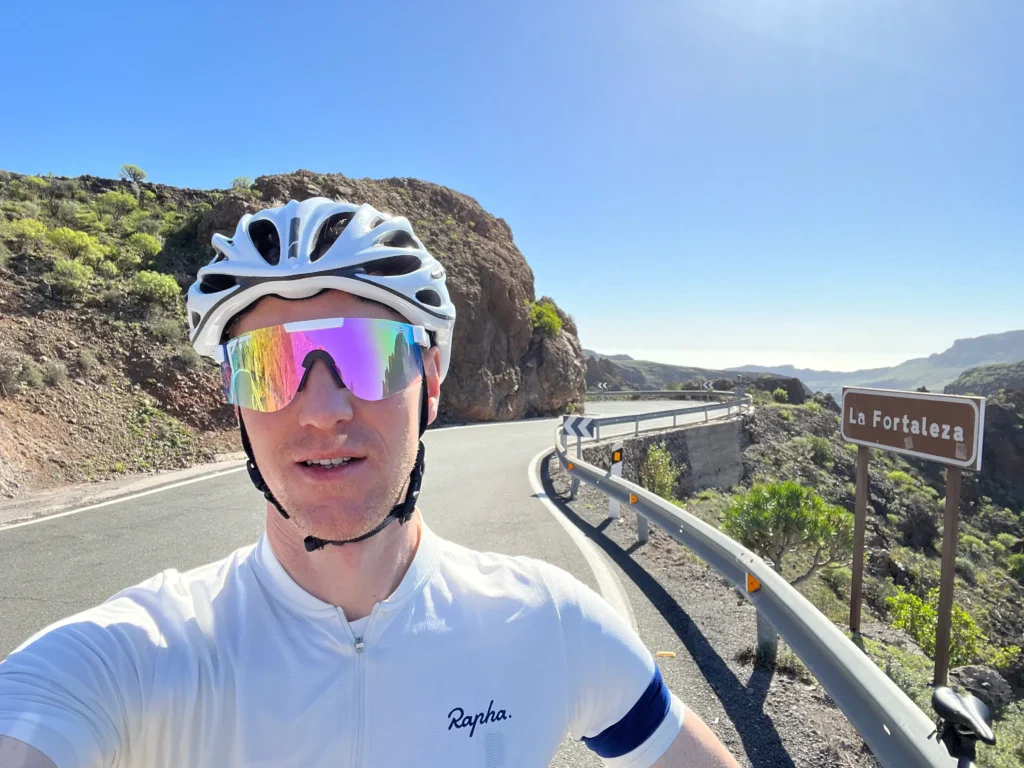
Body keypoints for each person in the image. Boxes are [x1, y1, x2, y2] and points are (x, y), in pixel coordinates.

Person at [0, 198, 740, 768]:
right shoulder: (135, 656)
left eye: (371, 355)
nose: (321, 411)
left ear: (432, 382)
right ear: (236, 401)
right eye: (269, 366)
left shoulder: (548, 624)